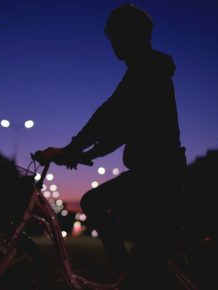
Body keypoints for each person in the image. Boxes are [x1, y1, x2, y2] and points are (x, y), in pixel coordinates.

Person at [36, 3, 187, 288]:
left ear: (131, 35)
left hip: (158, 174)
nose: (113, 44)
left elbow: (110, 115)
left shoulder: (147, 70)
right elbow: (121, 128)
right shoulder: (147, 69)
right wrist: (82, 153)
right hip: (159, 172)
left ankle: (121, 274)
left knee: (93, 202)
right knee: (147, 261)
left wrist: (70, 149)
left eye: (116, 36)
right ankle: (126, 275)